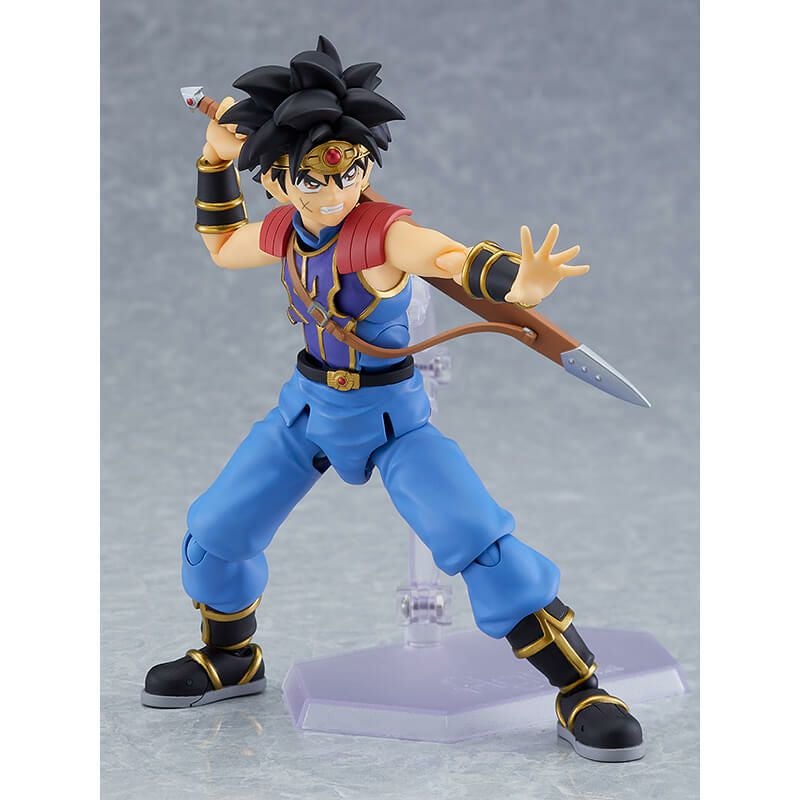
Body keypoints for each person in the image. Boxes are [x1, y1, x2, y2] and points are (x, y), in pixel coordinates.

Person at [142, 36, 644, 763]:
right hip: (307, 410)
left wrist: (515, 281)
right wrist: (215, 158)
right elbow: (222, 244)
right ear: (277, 180)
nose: (336, 189)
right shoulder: (283, 229)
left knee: (479, 542)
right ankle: (231, 657)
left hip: (391, 422)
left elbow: (443, 256)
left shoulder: (382, 237)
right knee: (215, 530)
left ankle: (580, 689)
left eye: (351, 168)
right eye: (314, 176)